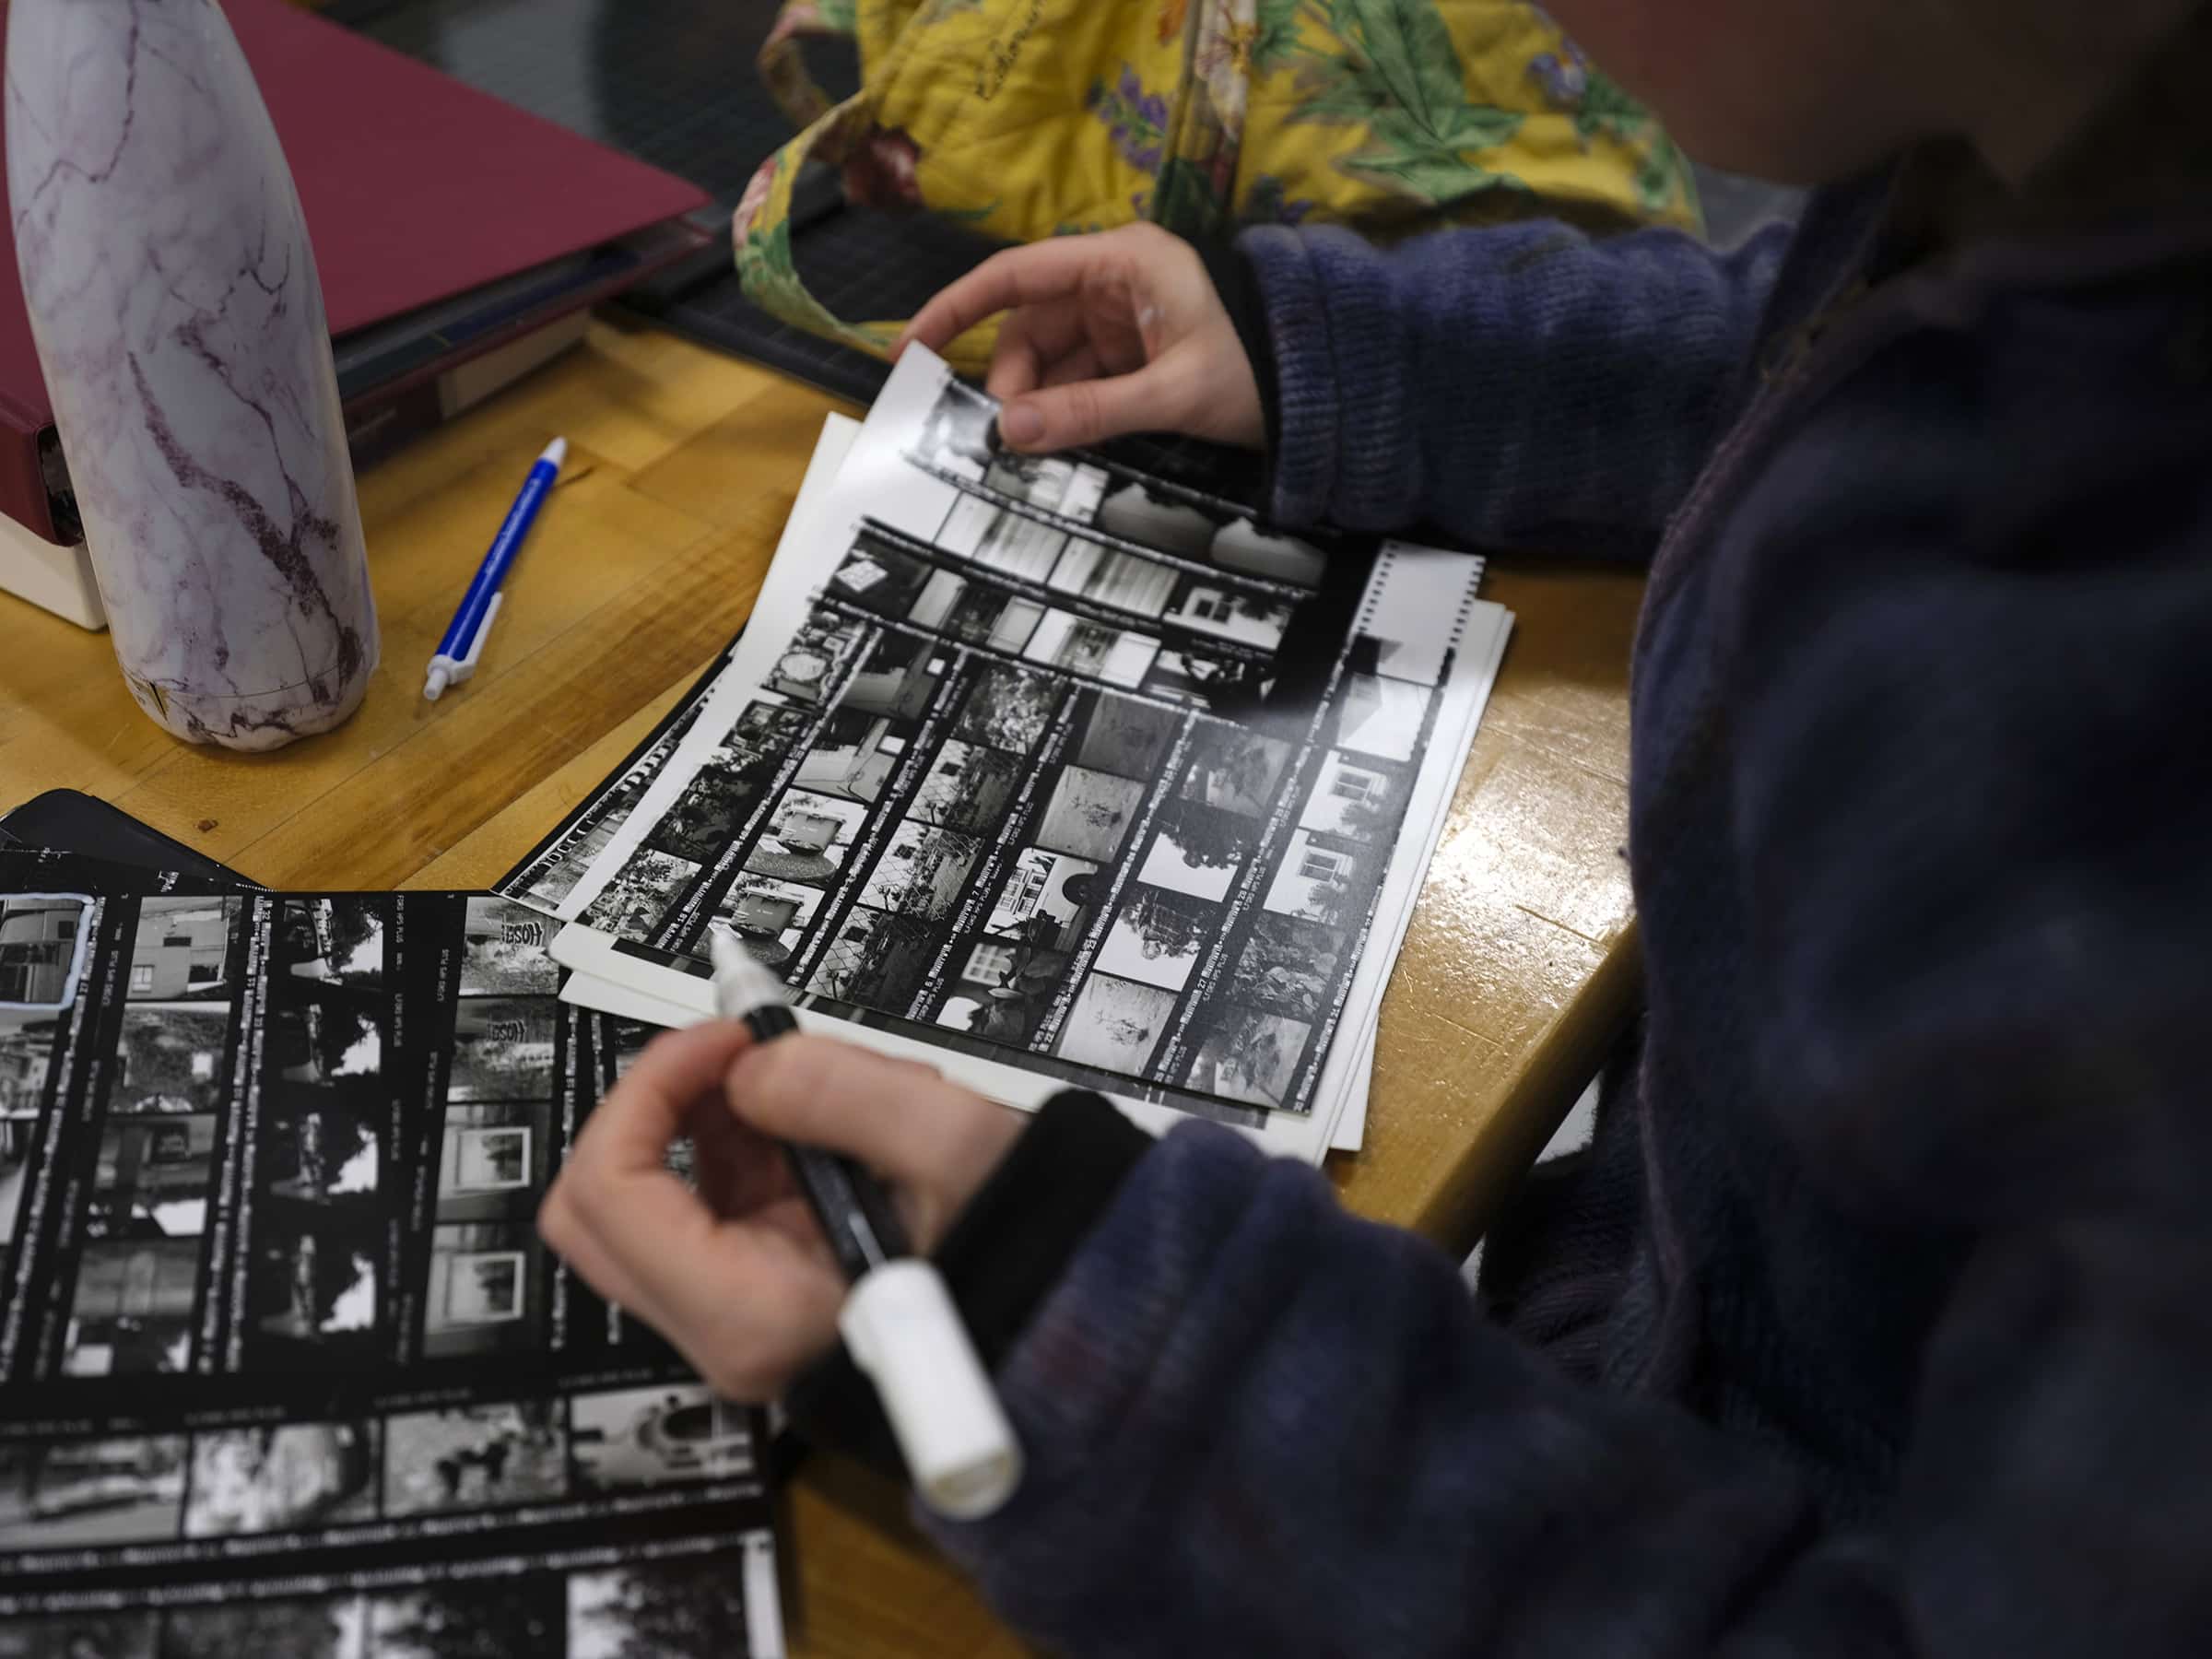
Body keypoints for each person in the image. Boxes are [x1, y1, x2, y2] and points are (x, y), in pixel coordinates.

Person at [541, 0, 2212, 1650]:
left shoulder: (2115, 782)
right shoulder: (2046, 165)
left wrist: (1121, 1345)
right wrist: (1323, 352)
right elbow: (1794, 347)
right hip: (1659, 1323)